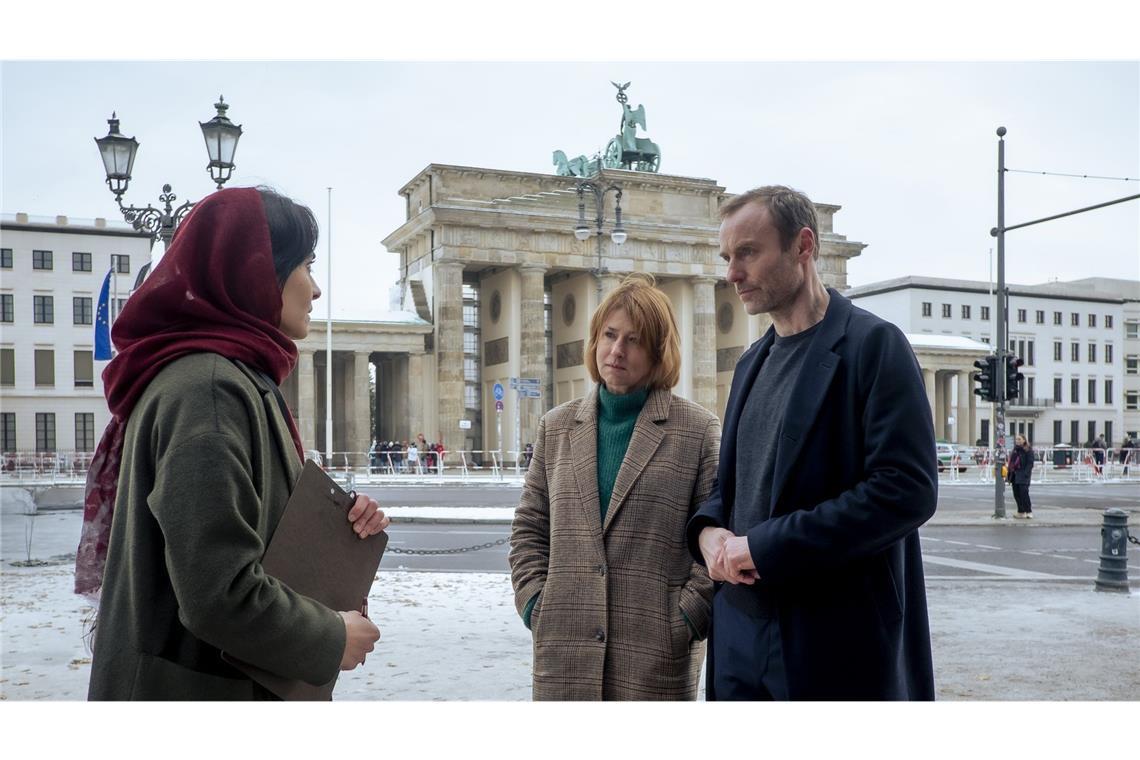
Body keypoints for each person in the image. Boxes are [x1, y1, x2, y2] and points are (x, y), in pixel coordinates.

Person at [77, 187, 389, 700]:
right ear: (256, 271)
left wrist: (334, 527)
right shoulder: (210, 389)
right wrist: (330, 637)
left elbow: (250, 533)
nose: (315, 290)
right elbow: (216, 593)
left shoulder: (230, 378)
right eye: (306, 266)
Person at [686, 185, 937, 700]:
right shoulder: (751, 363)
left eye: (748, 253)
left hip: (832, 639)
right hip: (739, 637)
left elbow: (905, 490)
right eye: (728, 258)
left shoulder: (874, 345)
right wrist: (708, 533)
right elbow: (729, 488)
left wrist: (765, 546)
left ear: (803, 247)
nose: (732, 273)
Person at [509, 273, 720, 700]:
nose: (616, 350)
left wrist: (687, 618)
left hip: (655, 655)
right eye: (609, 335)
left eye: (634, 340)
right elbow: (529, 526)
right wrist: (536, 604)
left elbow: (715, 536)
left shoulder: (697, 430)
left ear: (659, 352)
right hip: (564, 650)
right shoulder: (558, 426)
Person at [1008, 434, 1034, 518]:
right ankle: (1021, 511)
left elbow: (1030, 463)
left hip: (1023, 475)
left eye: (1019, 439)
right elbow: (1011, 462)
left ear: (1024, 440)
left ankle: (1029, 511)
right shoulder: (1015, 450)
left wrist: (1026, 473)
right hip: (1015, 475)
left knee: (1024, 493)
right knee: (1016, 494)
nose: (1017, 441)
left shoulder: (1028, 450)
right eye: (1016, 439)